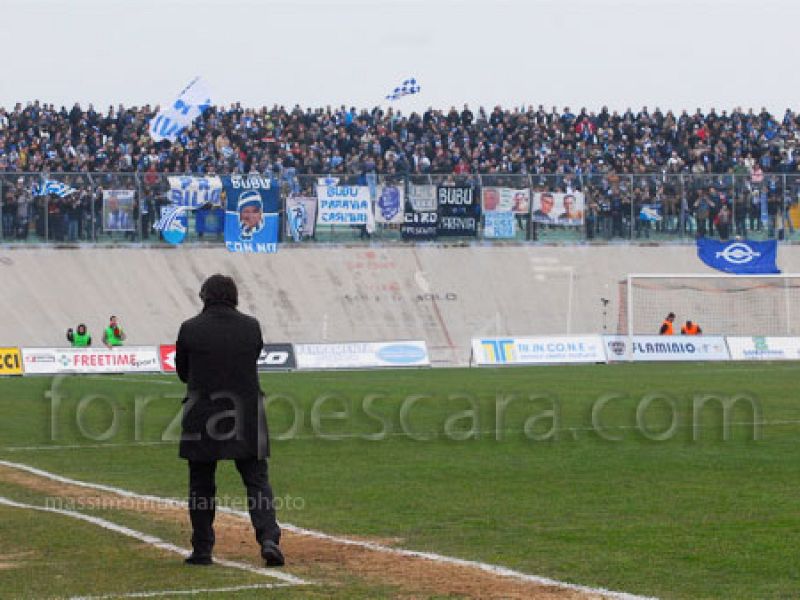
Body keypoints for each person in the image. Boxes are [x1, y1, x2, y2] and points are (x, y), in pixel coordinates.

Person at [175, 274, 283, 567]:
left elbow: (183, 372)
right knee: (257, 480)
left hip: (203, 416)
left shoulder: (190, 329)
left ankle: (202, 549)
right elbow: (253, 357)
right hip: (246, 414)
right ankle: (269, 538)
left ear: (205, 296)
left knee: (201, 484)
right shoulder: (251, 326)